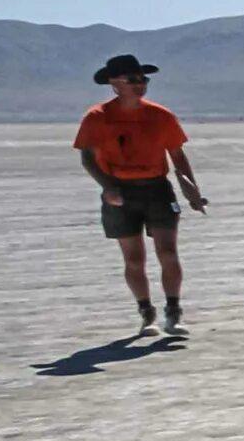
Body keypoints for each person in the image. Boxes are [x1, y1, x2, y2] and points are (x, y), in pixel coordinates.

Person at [73, 53, 206, 333]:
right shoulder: (97, 118)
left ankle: (174, 312)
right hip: (120, 192)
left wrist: (191, 190)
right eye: (132, 80)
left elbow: (178, 156)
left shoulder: (161, 116)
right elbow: (87, 158)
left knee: (168, 252)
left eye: (143, 79)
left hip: (157, 189)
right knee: (134, 259)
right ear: (114, 84)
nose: (140, 84)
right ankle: (147, 313)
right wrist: (107, 187)